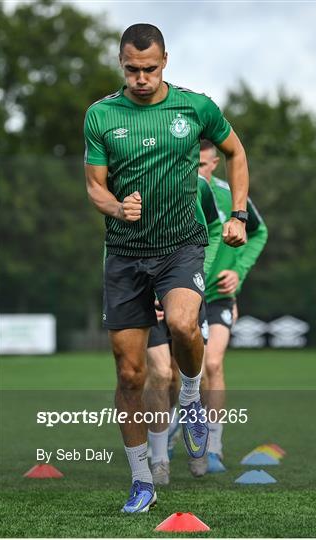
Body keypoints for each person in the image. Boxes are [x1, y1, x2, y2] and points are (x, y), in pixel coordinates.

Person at [84, 23, 249, 513]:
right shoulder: (100, 115)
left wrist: (237, 214)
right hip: (124, 254)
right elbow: (94, 186)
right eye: (132, 69)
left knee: (181, 323)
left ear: (165, 61)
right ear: (121, 64)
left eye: (150, 69)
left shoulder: (194, 107)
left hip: (181, 246)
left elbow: (235, 152)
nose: (141, 78)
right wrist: (115, 208)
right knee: (131, 375)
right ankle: (141, 481)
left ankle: (192, 397)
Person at [187, 139, 268, 476]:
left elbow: (259, 232)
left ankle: (214, 446)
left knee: (213, 363)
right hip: (183, 293)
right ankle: (182, 426)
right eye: (194, 166)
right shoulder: (176, 190)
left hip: (218, 294)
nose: (199, 172)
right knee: (180, 374)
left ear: (216, 164)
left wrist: (237, 272)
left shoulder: (229, 194)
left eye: (204, 165)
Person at [145, 175, 222, 486]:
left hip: (183, 288)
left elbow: (212, 229)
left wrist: (198, 277)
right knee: (161, 375)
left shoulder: (195, 184)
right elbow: (114, 242)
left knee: (194, 376)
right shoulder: (128, 178)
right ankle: (159, 459)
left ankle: (197, 437)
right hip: (144, 294)